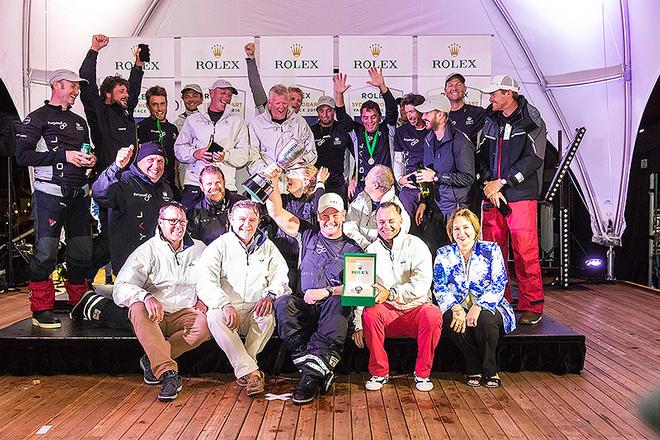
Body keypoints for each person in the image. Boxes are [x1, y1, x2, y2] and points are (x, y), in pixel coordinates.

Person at [266, 182, 362, 405]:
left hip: (332, 310)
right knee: (283, 303)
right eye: (325, 215)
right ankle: (316, 368)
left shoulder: (355, 248)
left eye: (335, 215)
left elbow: (360, 290)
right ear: (317, 215)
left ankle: (308, 379)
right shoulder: (308, 234)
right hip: (305, 307)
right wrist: (273, 180)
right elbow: (275, 212)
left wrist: (327, 291)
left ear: (344, 215)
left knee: (339, 302)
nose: (330, 220)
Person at [15, 69, 95, 328]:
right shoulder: (36, 118)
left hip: (79, 194)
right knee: (46, 253)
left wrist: (89, 160)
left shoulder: (79, 121)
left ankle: (79, 303)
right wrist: (64, 156)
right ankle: (40, 310)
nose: (76, 91)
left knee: (81, 254)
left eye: (78, 87)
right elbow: (22, 156)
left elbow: (85, 151)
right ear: (56, 85)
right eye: (72, 86)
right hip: (49, 194)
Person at [113, 201, 211, 401]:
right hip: (154, 315)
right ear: (160, 222)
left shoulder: (200, 249)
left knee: (206, 326)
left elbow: (213, 279)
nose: (178, 226)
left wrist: (204, 299)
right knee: (137, 307)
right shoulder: (147, 250)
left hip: (185, 312)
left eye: (182, 221)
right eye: (172, 220)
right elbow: (120, 288)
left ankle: (153, 359)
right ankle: (169, 374)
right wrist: (145, 296)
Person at [196, 200, 291, 396]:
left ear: (258, 221)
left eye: (252, 219)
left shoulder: (268, 247)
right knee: (213, 317)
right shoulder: (218, 246)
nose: (246, 224)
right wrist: (224, 304)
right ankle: (253, 372)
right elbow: (205, 281)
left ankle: (246, 369)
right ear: (230, 219)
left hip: (254, 307)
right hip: (227, 309)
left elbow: (281, 274)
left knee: (267, 316)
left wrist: (270, 296)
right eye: (241, 219)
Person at [477, 74, 547, 325]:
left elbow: (534, 159)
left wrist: (503, 182)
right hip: (492, 195)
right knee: (493, 252)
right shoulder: (490, 119)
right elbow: (482, 155)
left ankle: (532, 305)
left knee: (525, 251)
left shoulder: (531, 119)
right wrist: (489, 183)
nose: (490, 98)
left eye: (494, 94)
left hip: (519, 195)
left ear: (509, 94)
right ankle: (499, 300)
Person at [351, 203, 441, 392]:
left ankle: (422, 374)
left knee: (432, 314)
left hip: (415, 309)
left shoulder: (417, 245)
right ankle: (379, 372)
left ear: (401, 220)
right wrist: (358, 325)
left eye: (391, 221)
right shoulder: (370, 250)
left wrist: (392, 293)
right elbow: (363, 291)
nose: (386, 226)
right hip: (388, 312)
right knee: (370, 312)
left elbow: (422, 284)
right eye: (381, 222)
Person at [79, 33, 145, 282]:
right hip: (109, 185)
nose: (127, 94)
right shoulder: (100, 113)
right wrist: (94, 50)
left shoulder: (125, 114)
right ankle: (80, 279)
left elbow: (135, 89)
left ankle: (125, 281)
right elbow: (86, 84)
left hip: (130, 186)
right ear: (107, 94)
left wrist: (138, 65)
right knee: (108, 239)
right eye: (121, 91)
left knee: (131, 236)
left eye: (126, 90)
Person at [433, 208, 516, 388]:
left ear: (475, 229)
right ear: (451, 232)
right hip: (457, 304)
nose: (461, 233)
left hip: (490, 303)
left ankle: (490, 370)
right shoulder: (443, 254)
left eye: (466, 227)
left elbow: (499, 282)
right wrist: (456, 309)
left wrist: (479, 306)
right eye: (456, 229)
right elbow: (439, 286)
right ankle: (473, 367)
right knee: (451, 319)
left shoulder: (491, 249)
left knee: (486, 320)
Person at [92, 142, 174, 274]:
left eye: (160, 161)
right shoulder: (124, 181)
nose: (156, 165)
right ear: (139, 161)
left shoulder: (166, 187)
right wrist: (116, 167)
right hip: (128, 262)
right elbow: (100, 194)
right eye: (150, 160)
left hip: (157, 263)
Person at [413, 95, 475, 255]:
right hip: (434, 211)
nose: (423, 116)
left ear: (440, 115)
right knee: (434, 256)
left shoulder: (460, 141)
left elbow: (468, 178)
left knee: (456, 258)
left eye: (427, 113)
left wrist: (436, 177)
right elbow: (426, 174)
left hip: (455, 212)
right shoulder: (428, 139)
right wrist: (424, 202)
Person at [175, 79, 250, 209]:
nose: (226, 97)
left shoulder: (238, 122)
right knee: (189, 225)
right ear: (211, 93)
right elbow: (179, 149)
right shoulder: (193, 120)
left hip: (225, 186)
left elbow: (244, 155)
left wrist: (225, 156)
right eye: (222, 92)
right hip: (195, 183)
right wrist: (196, 153)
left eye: (229, 94)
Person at [333, 68, 398, 198]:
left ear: (380, 117)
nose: (369, 121)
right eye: (365, 117)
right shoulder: (357, 131)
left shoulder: (387, 129)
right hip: (363, 186)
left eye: (373, 117)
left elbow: (392, 110)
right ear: (361, 118)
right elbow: (341, 116)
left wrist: (382, 87)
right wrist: (339, 94)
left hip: (386, 186)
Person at [265, 164, 328, 289]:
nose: (287, 176)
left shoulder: (312, 202)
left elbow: (320, 209)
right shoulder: (281, 199)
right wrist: (270, 178)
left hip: (304, 262)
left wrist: (319, 183)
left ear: (306, 180)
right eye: (288, 172)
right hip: (280, 257)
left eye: (293, 173)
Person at [247, 84, 316, 175]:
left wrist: (299, 165)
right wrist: (267, 171)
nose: (281, 107)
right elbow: (252, 156)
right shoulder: (256, 124)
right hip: (268, 181)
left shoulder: (300, 122)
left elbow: (311, 153)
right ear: (270, 104)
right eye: (277, 103)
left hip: (294, 181)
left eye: (284, 103)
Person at [344, 165, 410, 250]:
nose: (365, 180)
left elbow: (397, 241)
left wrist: (375, 250)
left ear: (375, 185)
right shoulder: (361, 198)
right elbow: (348, 228)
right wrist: (366, 246)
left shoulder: (397, 209)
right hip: (359, 252)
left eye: (367, 178)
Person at [393, 94, 429, 230]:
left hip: (431, 187)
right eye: (407, 112)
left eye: (412, 111)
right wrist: (399, 180)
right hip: (409, 189)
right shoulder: (401, 132)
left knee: (429, 229)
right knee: (407, 227)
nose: (410, 116)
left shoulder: (432, 129)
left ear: (421, 110)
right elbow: (398, 160)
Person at [186, 165, 246, 245]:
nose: (214, 187)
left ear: (224, 183)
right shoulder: (194, 214)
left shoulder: (241, 204)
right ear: (202, 187)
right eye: (209, 184)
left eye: (218, 182)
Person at [137, 86, 179, 192]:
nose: (160, 109)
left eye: (162, 104)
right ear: (147, 106)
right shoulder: (141, 127)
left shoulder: (173, 128)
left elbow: (176, 161)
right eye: (155, 104)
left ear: (167, 104)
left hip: (169, 183)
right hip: (147, 183)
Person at [310, 95, 354, 200]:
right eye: (321, 111)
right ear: (317, 112)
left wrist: (353, 179)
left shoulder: (343, 129)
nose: (325, 114)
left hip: (338, 185)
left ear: (334, 111)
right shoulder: (311, 131)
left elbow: (358, 154)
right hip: (317, 184)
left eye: (328, 110)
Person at [244, 43, 304, 115]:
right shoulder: (268, 113)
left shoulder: (301, 123)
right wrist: (251, 58)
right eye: (292, 99)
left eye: (299, 100)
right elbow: (256, 87)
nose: (296, 102)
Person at [445, 73, 487, 147]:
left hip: (470, 157)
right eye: (450, 85)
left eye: (458, 85)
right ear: (445, 91)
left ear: (465, 89)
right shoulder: (440, 115)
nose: (454, 88)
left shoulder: (477, 113)